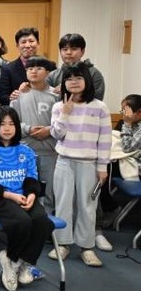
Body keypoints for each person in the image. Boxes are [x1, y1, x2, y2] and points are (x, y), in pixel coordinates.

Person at [0, 106, 54, 291]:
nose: (7, 128)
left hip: (24, 196)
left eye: (11, 124)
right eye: (2, 124)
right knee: (22, 221)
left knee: (43, 221)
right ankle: (15, 260)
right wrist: (11, 195)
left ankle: (16, 261)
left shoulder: (26, 151)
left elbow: (32, 179)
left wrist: (32, 195)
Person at [49, 63, 111, 267]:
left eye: (78, 78)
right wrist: (65, 113)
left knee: (87, 206)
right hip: (64, 161)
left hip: (89, 164)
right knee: (63, 203)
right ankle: (63, 244)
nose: (73, 82)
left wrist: (102, 167)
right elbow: (56, 134)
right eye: (69, 79)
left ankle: (87, 247)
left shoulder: (99, 107)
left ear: (87, 81)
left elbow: (105, 141)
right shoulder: (59, 106)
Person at [10, 56, 58, 213]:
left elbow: (63, 122)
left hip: (49, 151)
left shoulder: (56, 95)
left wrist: (48, 130)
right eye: (30, 68)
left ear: (48, 72)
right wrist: (29, 129)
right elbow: (12, 123)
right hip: (25, 150)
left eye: (39, 68)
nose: (34, 71)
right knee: (24, 189)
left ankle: (47, 221)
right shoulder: (18, 95)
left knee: (48, 192)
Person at [47, 33, 105, 101]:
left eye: (74, 49)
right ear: (60, 52)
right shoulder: (52, 75)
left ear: (82, 51)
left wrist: (66, 91)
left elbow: (97, 100)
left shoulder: (94, 73)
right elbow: (45, 101)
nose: (68, 52)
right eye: (65, 49)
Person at [0, 27, 44, 105]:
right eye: (23, 42)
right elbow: (2, 97)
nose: (27, 45)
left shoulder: (49, 66)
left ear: (38, 44)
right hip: (17, 110)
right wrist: (12, 97)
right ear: (17, 46)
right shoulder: (8, 69)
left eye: (31, 41)